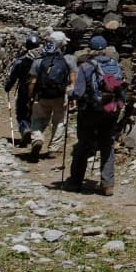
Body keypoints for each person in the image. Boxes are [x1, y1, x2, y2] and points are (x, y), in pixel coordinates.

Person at [65, 35, 128, 196]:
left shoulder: (86, 67)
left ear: (90, 49)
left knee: (83, 144)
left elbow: (79, 92)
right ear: (106, 48)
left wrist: (70, 95)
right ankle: (108, 184)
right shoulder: (115, 65)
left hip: (89, 111)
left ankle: (75, 182)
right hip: (110, 111)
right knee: (107, 145)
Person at [26, 30, 75, 157]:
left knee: (37, 119)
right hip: (60, 95)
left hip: (41, 95)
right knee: (59, 121)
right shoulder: (68, 60)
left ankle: (37, 138)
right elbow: (72, 81)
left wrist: (31, 96)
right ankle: (53, 148)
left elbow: (32, 81)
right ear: (62, 44)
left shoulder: (38, 61)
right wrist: (72, 97)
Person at [3, 34, 40, 146]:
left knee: (21, 112)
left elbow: (12, 76)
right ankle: (35, 135)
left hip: (24, 89)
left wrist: (8, 87)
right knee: (36, 113)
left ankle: (25, 129)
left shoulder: (20, 61)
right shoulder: (42, 60)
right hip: (39, 91)